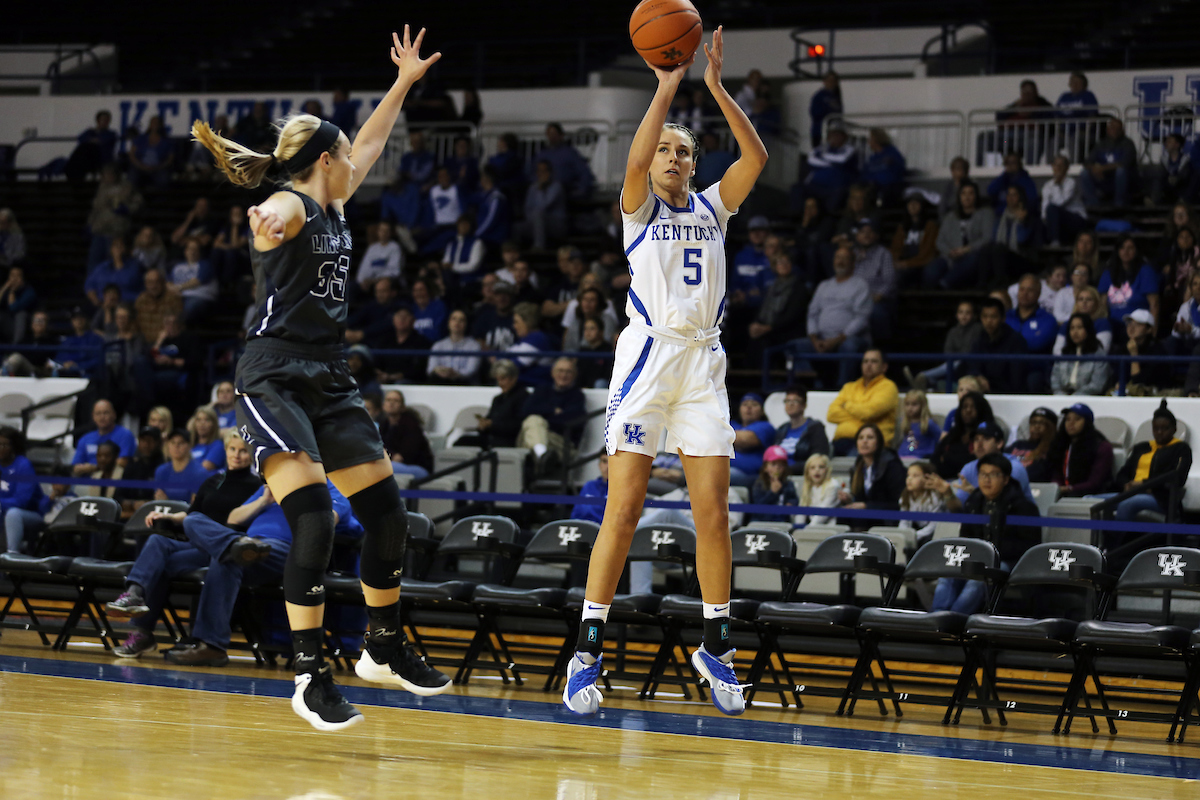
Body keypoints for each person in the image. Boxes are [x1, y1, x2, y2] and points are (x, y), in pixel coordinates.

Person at [191, 27, 452, 730]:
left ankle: (383, 648)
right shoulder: (295, 206)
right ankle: (309, 673)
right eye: (344, 155)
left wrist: (401, 84)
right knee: (313, 516)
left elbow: (370, 142)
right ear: (325, 162)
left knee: (390, 518)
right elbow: (274, 210)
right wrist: (266, 215)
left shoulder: (334, 202)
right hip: (272, 373)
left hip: (329, 375)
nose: (355, 161)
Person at [564, 27, 768, 718]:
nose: (675, 156)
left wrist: (713, 86)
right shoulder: (638, 207)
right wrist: (667, 85)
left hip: (704, 366)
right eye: (666, 150)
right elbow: (635, 154)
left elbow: (757, 155)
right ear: (650, 164)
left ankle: (716, 645)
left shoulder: (714, 207)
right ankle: (587, 649)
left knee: (713, 512)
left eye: (684, 150)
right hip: (650, 360)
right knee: (622, 509)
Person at [106, 434, 276, 662]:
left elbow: (248, 522)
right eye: (233, 449)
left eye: (243, 451)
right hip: (199, 547)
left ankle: (143, 630)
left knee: (161, 563)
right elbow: (194, 513)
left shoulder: (257, 486)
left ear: (252, 455)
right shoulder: (213, 480)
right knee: (158, 544)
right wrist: (169, 516)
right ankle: (135, 599)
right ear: (226, 451)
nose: (237, 455)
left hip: (226, 549)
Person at [930, 453, 1040, 614]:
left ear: (1006, 479)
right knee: (949, 571)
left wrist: (989, 553)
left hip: (1008, 562)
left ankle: (954, 619)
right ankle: (937, 615)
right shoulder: (974, 502)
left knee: (980, 576)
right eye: (982, 474)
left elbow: (1029, 547)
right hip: (975, 558)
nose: (986, 479)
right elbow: (965, 538)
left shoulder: (1023, 507)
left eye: (993, 474)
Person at [1092, 400, 1191, 521]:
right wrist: (1126, 484)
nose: (1160, 432)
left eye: (1165, 428)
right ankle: (1093, 537)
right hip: (1130, 493)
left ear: (1174, 429)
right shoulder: (1142, 447)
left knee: (1128, 504)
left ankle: (1114, 539)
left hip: (1158, 497)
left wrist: (1143, 485)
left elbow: (1177, 478)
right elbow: (1123, 473)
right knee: (1088, 501)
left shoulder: (1181, 448)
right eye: (1156, 428)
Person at [788, 246, 872, 389]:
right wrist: (814, 339)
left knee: (849, 347)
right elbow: (812, 313)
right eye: (838, 257)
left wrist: (836, 340)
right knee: (793, 346)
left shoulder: (860, 285)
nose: (840, 261)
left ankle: (843, 388)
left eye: (845, 258)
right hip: (821, 339)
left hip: (848, 339)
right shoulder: (824, 285)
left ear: (852, 263)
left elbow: (861, 318)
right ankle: (811, 384)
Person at [825, 349, 899, 457]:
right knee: (818, 459)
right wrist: (861, 416)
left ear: (884, 367)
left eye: (874, 361)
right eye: (865, 361)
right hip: (840, 441)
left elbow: (869, 412)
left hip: (870, 445)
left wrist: (847, 405)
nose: (869, 365)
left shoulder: (888, 387)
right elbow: (831, 414)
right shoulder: (849, 387)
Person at [519, 357, 586, 474]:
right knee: (533, 421)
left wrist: (544, 417)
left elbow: (570, 421)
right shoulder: (541, 390)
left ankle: (541, 454)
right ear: (553, 373)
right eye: (560, 371)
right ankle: (543, 455)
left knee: (534, 423)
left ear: (574, 375)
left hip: (562, 444)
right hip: (538, 437)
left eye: (568, 372)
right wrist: (553, 411)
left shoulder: (577, 396)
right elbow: (525, 411)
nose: (563, 375)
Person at [943, 421, 1033, 505]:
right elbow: (960, 509)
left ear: (999, 443)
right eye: (976, 439)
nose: (979, 444)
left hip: (1017, 519)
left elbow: (1005, 504)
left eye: (986, 438)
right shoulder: (969, 468)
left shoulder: (1013, 467)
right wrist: (948, 494)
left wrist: (975, 494)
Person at [924, 182, 995, 289]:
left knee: (973, 259)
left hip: (973, 255)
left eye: (971, 193)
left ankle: (944, 284)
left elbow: (987, 238)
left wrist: (966, 249)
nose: (967, 197)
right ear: (959, 196)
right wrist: (950, 252)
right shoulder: (950, 216)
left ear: (976, 196)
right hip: (950, 256)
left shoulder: (986, 213)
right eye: (963, 193)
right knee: (930, 271)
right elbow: (939, 241)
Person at [836, 423, 906, 522]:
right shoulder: (857, 467)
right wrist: (849, 499)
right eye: (860, 438)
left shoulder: (891, 464)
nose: (864, 441)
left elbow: (898, 503)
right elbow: (860, 499)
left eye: (870, 437)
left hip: (887, 518)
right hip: (866, 517)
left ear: (878, 442)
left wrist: (866, 506)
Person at [907, 300, 981, 391]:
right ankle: (923, 383)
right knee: (950, 365)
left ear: (974, 315)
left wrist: (957, 356)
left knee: (956, 363)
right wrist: (956, 356)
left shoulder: (977, 329)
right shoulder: (953, 331)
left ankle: (923, 376)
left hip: (967, 365)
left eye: (968, 313)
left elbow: (968, 352)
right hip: (952, 364)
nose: (964, 316)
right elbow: (947, 352)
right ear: (956, 315)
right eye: (961, 312)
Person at [1099, 235, 1160, 340]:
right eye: (1122, 248)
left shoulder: (1146, 271)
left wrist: (1152, 334)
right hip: (1113, 326)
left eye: (1130, 248)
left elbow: (1154, 305)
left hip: (1138, 327)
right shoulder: (1108, 273)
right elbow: (1102, 305)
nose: (1125, 251)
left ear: (1136, 250)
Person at [1047, 403, 1113, 497]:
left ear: (1087, 422)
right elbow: (1056, 473)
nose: (1071, 423)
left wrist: (1069, 488)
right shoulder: (1062, 444)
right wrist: (1056, 486)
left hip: (1092, 495)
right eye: (1068, 419)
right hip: (1064, 492)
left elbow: (1095, 482)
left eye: (1077, 419)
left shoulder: (1101, 446)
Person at [966, 297, 1028, 394]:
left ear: (1003, 318)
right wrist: (978, 376)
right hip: (983, 392)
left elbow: (1016, 379)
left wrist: (990, 385)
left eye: (993, 317)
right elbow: (973, 366)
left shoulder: (1016, 341)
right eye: (985, 316)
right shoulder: (978, 339)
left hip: (1007, 393)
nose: (988, 321)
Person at [462, 359, 529, 448]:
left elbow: (518, 425)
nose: (500, 383)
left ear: (514, 378)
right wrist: (482, 425)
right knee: (461, 441)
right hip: (492, 438)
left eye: (503, 379)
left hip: (508, 441)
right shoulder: (498, 399)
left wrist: (492, 424)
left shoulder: (523, 397)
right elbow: (490, 419)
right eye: (498, 380)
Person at [851, 218, 898, 342]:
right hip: (853, 299)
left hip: (877, 300)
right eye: (862, 231)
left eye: (870, 231)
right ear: (857, 236)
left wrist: (878, 296)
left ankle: (881, 348)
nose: (866, 234)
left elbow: (890, 281)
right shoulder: (852, 255)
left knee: (876, 313)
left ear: (876, 235)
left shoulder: (884, 253)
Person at [932, 390, 995, 480]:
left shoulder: (987, 434)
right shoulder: (954, 433)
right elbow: (935, 458)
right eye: (965, 407)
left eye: (973, 407)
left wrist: (947, 459)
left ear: (981, 410)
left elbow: (974, 462)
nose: (968, 410)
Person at [0, 427, 44, 554]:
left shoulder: (23, 465)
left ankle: (12, 556)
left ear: (13, 447)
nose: (0, 448)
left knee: (13, 514)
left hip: (30, 514)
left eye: (3, 445)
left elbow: (22, 501)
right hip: (3, 513)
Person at [1080, 118, 1138, 208]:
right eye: (1111, 128)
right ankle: (1093, 204)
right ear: (1107, 130)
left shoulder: (1128, 144)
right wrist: (1094, 169)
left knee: (1121, 171)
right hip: (1104, 178)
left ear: (1122, 130)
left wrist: (1102, 168)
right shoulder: (1101, 144)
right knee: (1084, 173)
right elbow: (1087, 162)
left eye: (1117, 128)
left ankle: (1119, 204)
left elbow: (1125, 163)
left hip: (1122, 181)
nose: (1114, 130)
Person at [801, 124, 858, 214]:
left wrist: (822, 158)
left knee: (837, 196)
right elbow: (811, 160)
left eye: (838, 135)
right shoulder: (821, 148)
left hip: (835, 187)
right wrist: (831, 163)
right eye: (832, 134)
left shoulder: (849, 149)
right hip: (815, 184)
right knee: (797, 189)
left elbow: (842, 160)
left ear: (844, 137)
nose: (834, 137)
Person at [378, 389, 433, 480]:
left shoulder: (411, 425)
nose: (391, 403)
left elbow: (402, 457)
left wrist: (387, 455)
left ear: (402, 406)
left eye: (396, 401)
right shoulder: (384, 425)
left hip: (416, 467)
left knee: (378, 468)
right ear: (383, 405)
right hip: (392, 463)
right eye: (388, 400)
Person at [72, 399, 136, 476]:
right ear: (93, 417)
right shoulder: (85, 439)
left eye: (106, 413)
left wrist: (94, 467)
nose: (102, 417)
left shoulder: (125, 435)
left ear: (114, 415)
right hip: (87, 483)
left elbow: (123, 462)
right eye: (98, 413)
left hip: (115, 480)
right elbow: (75, 467)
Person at [1051, 313, 1110, 395]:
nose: (1075, 332)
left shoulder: (1099, 355)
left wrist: (1075, 397)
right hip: (1062, 397)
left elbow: (1097, 385)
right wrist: (1061, 395)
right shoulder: (1064, 353)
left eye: (1080, 327)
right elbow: (1055, 380)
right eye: (1072, 328)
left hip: (1087, 399)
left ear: (1088, 329)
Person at [890, 190, 939, 287]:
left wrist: (907, 264)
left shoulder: (930, 226)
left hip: (920, 265)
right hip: (903, 263)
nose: (912, 205)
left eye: (916, 202)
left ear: (922, 206)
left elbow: (928, 254)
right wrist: (896, 262)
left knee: (898, 277)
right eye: (910, 203)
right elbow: (896, 248)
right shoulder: (902, 226)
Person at [773, 385, 830, 469]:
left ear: (804, 405)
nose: (790, 404)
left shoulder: (815, 428)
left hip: (802, 475)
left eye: (795, 401)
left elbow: (818, 459)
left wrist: (787, 469)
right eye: (787, 401)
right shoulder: (782, 429)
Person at [536, 122, 595, 200]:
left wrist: (581, 189)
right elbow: (532, 172)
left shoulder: (570, 153)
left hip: (564, 190)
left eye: (554, 133)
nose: (551, 136)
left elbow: (584, 172)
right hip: (543, 189)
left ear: (561, 135)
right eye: (549, 133)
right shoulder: (542, 154)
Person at [115, 426, 165, 515]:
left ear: (159, 443)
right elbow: (117, 497)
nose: (146, 444)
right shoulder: (132, 466)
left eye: (151, 441)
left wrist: (147, 504)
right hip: (129, 516)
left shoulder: (165, 468)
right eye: (143, 440)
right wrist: (133, 504)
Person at [374, 307, 432, 384]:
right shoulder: (384, 340)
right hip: (384, 378)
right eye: (398, 316)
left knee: (400, 383)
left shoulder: (422, 342)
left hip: (408, 380)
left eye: (406, 316)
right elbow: (376, 362)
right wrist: (379, 374)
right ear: (393, 319)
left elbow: (419, 369)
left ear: (413, 320)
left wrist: (393, 377)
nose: (402, 319)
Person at [729, 393, 775, 488]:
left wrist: (720, 436)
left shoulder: (765, 427)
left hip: (749, 475)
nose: (749, 407)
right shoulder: (732, 425)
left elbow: (745, 439)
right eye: (745, 404)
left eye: (754, 405)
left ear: (762, 411)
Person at [168, 237, 219, 323]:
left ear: (200, 251)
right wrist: (173, 289)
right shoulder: (177, 266)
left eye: (195, 249)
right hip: (178, 296)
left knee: (188, 308)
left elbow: (197, 281)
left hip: (199, 296)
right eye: (190, 248)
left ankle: (178, 327)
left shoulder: (205, 265)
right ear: (185, 251)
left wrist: (179, 287)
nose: (193, 251)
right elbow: (167, 282)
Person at [1042, 155, 1089, 247]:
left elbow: (1060, 202)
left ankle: (1055, 241)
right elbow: (1044, 207)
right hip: (1059, 222)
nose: (1058, 168)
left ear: (1067, 168)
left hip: (1077, 219)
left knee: (1052, 209)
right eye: (1055, 165)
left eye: (1061, 165)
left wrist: (1057, 184)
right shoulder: (1047, 185)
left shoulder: (1071, 183)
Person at [1120, 308, 1172, 390]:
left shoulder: (1157, 351)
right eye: (1129, 323)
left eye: (1138, 324)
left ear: (1149, 329)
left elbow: (1139, 384)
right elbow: (1118, 377)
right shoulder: (1124, 347)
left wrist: (1134, 355)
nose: (1131, 328)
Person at [899, 460, 946, 547]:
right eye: (908, 475)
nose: (909, 479)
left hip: (932, 533)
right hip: (915, 530)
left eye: (915, 476)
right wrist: (904, 534)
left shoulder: (934, 497)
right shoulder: (905, 496)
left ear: (927, 478)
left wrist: (915, 535)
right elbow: (904, 521)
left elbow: (934, 525)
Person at [86, 237, 144, 306]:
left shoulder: (135, 267)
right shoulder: (102, 267)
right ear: (111, 249)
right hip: (103, 304)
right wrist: (97, 302)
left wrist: (119, 261)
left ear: (126, 249)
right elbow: (89, 285)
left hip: (128, 304)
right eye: (115, 246)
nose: (118, 248)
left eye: (121, 246)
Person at [1053, 285, 1112, 354]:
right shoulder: (1067, 324)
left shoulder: (1102, 323)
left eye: (1089, 299)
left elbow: (1102, 350)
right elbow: (1056, 351)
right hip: (1068, 362)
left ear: (1096, 303)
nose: (1084, 302)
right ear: (1076, 303)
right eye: (1080, 299)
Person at [748, 445, 798, 524]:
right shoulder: (759, 484)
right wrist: (773, 493)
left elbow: (793, 498)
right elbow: (758, 507)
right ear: (765, 467)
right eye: (773, 464)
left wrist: (791, 503)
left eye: (781, 465)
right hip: (761, 521)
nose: (777, 468)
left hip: (782, 522)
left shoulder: (788, 484)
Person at [428, 308, 481, 384]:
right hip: (441, 382)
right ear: (448, 322)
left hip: (464, 384)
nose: (457, 323)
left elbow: (471, 370)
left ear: (466, 324)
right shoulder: (438, 345)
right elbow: (430, 370)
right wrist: (440, 371)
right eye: (454, 319)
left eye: (461, 320)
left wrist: (454, 373)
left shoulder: (474, 345)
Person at [1007, 406, 1058, 482]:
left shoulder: (1054, 449)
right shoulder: (1018, 444)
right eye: (1033, 422)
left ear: (1051, 427)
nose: (1036, 427)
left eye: (1042, 423)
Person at [134, 268, 184, 343]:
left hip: (167, 342)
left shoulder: (173, 299)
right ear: (145, 284)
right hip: (144, 343)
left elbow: (179, 326)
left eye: (156, 282)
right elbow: (135, 324)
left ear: (163, 283)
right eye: (150, 283)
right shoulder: (141, 300)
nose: (153, 286)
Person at [895, 389, 941, 460]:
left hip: (921, 457)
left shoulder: (929, 423)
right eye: (907, 404)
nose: (910, 408)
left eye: (914, 404)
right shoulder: (903, 421)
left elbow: (941, 439)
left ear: (923, 406)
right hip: (902, 455)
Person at [796, 453, 839, 526]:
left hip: (830, 528)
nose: (817, 470)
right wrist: (798, 528)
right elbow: (801, 512)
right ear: (807, 472)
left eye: (821, 467)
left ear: (827, 470)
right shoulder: (807, 487)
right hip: (812, 528)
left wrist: (806, 531)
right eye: (812, 468)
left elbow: (822, 514)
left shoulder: (833, 485)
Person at [0, 265, 36, 344]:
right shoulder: (6, 290)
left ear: (23, 278)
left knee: (21, 314)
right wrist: (5, 287)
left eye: (18, 276)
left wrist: (12, 292)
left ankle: (15, 346)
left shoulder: (29, 292)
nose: (14, 279)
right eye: (12, 275)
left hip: (26, 328)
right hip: (9, 325)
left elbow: (13, 308)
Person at [572, 450, 610, 525]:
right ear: (599, 464)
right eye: (604, 461)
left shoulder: (623, 490)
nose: (608, 467)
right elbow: (576, 515)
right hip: (584, 531)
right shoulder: (589, 486)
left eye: (612, 462)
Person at [808, 71, 842, 147]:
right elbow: (814, 113)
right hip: (820, 132)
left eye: (834, 81)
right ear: (824, 81)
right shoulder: (819, 96)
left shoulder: (837, 97)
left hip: (834, 133)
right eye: (829, 80)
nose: (831, 83)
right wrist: (828, 111)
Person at [188, 406, 226, 472]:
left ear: (214, 424)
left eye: (207, 420)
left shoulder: (218, 446)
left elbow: (202, 470)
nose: (202, 423)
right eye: (198, 420)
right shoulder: (190, 445)